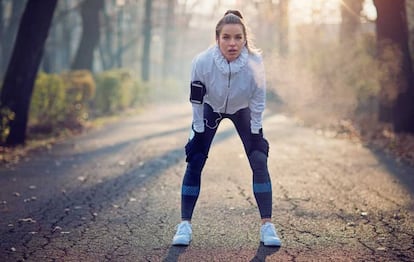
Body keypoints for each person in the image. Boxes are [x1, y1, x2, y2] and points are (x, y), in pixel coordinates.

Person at [172, 9, 281, 247]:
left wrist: (256, 131)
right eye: (226, 37)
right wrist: (199, 133)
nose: (232, 43)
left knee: (259, 159)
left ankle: (267, 226)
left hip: (243, 109)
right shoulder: (202, 62)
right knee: (196, 158)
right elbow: (196, 100)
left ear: (244, 39)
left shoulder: (255, 62)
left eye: (238, 38)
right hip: (211, 108)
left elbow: (259, 98)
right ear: (217, 38)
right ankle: (184, 225)